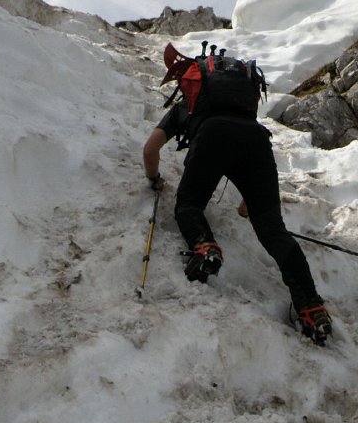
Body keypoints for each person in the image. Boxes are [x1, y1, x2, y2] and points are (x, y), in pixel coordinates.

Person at [143, 91, 333, 343]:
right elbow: (249, 170)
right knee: (274, 232)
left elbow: (150, 148)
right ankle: (311, 305)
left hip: (212, 136)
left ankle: (204, 247)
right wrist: (249, 206)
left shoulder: (187, 104)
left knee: (189, 204)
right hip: (257, 142)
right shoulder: (243, 110)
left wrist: (154, 178)